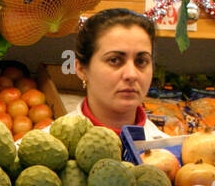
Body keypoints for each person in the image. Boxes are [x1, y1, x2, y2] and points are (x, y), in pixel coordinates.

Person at [65, 8, 164, 139]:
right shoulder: (44, 151)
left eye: (141, 61)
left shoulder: (172, 152)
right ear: (81, 69)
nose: (131, 75)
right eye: (114, 60)